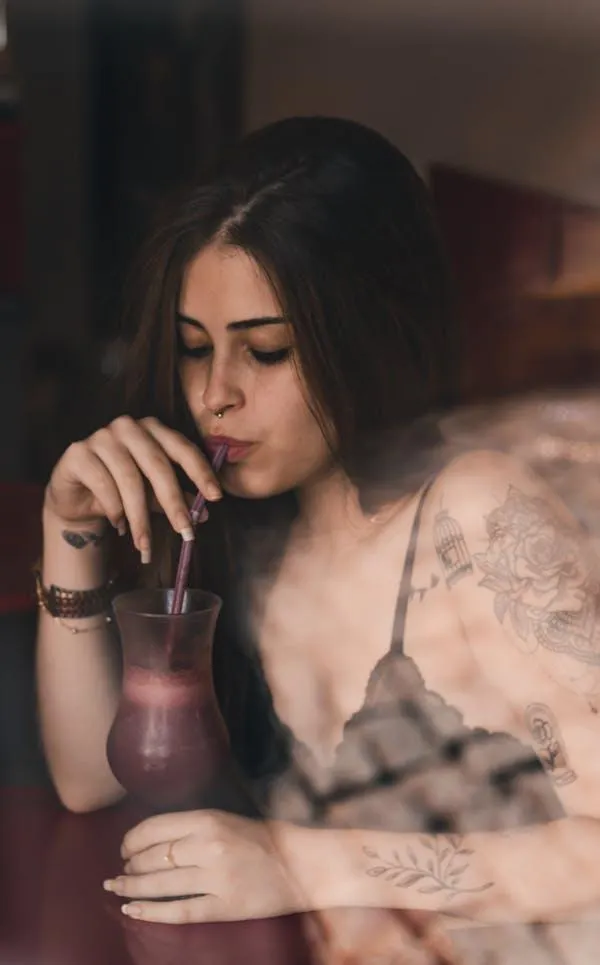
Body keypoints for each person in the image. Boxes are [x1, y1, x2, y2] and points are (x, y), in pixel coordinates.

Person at [36, 117, 600, 940]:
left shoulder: (475, 516)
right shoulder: (232, 530)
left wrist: (296, 862)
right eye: (195, 349)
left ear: (367, 337)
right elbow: (91, 777)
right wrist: (69, 529)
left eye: (265, 351)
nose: (216, 394)